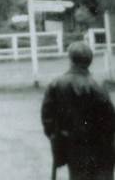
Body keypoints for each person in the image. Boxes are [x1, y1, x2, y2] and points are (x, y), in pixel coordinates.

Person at [41, 41, 115, 180]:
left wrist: (56, 138)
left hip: (72, 145)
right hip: (100, 146)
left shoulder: (56, 84)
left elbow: (47, 117)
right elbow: (110, 119)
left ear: (70, 60)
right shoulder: (98, 85)